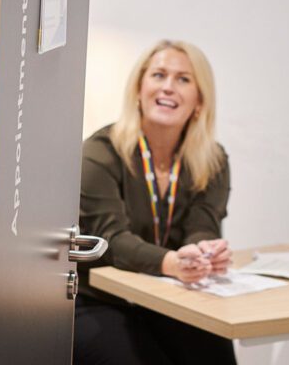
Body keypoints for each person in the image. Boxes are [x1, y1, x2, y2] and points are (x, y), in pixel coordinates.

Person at [74, 40, 237, 365]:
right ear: (139, 89)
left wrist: (203, 254)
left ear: (199, 100)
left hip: (168, 297)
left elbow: (201, 226)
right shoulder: (99, 153)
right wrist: (173, 263)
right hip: (99, 300)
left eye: (183, 79)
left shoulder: (213, 160)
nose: (168, 87)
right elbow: (111, 242)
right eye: (159, 75)